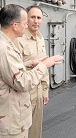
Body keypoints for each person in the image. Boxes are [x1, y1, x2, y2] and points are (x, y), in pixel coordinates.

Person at [0, 4, 63, 138]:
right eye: (25, 22)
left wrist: (31, 63)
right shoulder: (5, 50)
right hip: (12, 118)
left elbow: (8, 70)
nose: (27, 25)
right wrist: (44, 64)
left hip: (12, 112)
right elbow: (23, 82)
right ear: (15, 25)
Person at [14, 5, 51, 138]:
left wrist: (45, 90)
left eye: (39, 18)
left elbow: (44, 66)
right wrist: (31, 63)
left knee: (36, 130)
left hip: (38, 91)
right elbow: (12, 68)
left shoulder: (40, 38)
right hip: (23, 93)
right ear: (26, 19)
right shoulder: (18, 39)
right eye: (33, 17)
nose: (36, 21)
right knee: (21, 131)